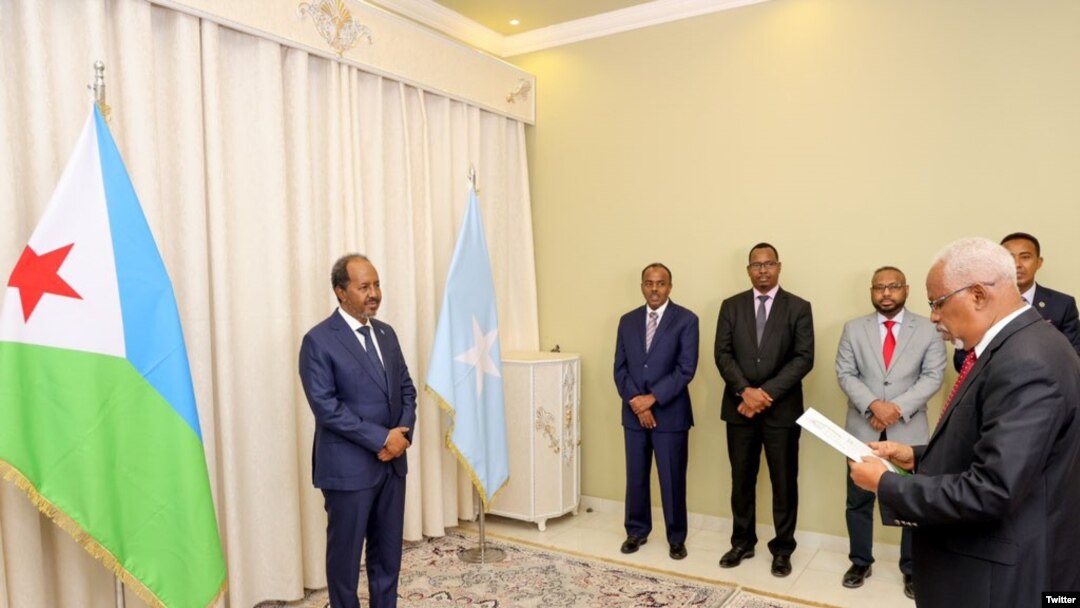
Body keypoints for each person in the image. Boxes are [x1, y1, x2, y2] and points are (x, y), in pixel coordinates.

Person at [850, 238, 1080, 608]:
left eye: (938, 303)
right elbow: (995, 448)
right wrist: (917, 457)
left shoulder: (1026, 361)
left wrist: (886, 484)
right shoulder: (1018, 344)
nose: (934, 317)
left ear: (976, 294)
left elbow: (993, 489)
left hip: (999, 576)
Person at [299, 254, 417, 608]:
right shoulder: (318, 341)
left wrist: (402, 437)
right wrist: (383, 438)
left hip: (392, 467)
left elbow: (407, 390)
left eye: (377, 284)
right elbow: (326, 407)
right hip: (348, 470)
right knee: (345, 562)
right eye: (364, 286)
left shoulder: (386, 333)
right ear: (340, 292)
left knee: (387, 556)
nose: (374, 294)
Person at [835, 266, 945, 598]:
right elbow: (845, 372)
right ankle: (860, 561)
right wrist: (873, 405)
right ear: (871, 291)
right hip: (862, 429)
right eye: (879, 287)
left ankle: (911, 569)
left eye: (893, 286)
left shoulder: (928, 329)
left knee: (910, 504)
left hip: (909, 432)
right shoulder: (853, 329)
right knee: (858, 500)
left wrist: (894, 408)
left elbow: (933, 375)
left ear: (906, 290)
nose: (886, 293)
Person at [714, 243, 814, 577]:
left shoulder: (799, 307)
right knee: (741, 479)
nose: (762, 270)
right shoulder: (731, 306)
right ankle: (742, 541)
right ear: (748, 270)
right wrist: (744, 391)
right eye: (756, 265)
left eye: (768, 264)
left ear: (779, 267)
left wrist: (764, 394)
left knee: (784, 482)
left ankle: (783, 549)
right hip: (739, 410)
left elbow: (803, 358)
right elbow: (722, 354)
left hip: (781, 412)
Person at [614, 263, 699, 560]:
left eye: (660, 283)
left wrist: (652, 399)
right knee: (636, 476)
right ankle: (636, 531)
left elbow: (685, 369)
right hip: (634, 415)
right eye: (649, 283)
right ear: (641, 286)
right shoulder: (627, 321)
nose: (654, 289)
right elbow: (620, 369)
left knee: (672, 478)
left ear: (670, 287)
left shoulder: (686, 320)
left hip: (670, 415)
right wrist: (637, 402)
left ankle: (676, 537)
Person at [953, 231, 1080, 370]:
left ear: (1039, 262)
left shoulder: (1062, 305)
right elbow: (961, 359)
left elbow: (1073, 355)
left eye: (1025, 257)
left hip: (1045, 386)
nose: (1017, 264)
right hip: (993, 385)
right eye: (1009, 257)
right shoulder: (979, 302)